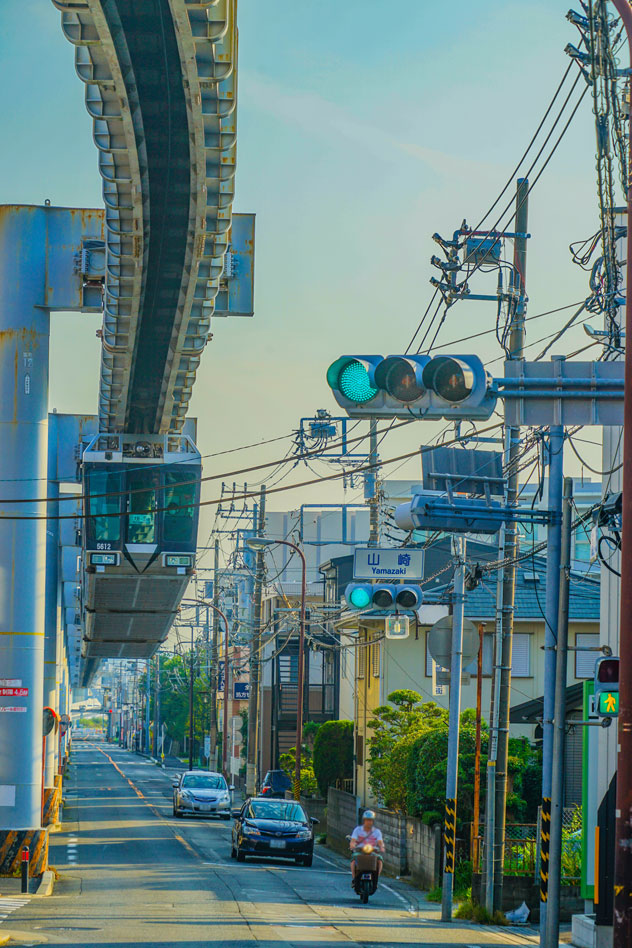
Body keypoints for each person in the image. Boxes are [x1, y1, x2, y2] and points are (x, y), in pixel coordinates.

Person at [349, 810, 385, 886]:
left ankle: (376, 878)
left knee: (380, 860)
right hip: (360, 850)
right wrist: (352, 845)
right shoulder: (358, 830)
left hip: (373, 851)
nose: (369, 822)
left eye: (371, 820)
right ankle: (354, 878)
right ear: (364, 820)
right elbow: (353, 840)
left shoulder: (377, 831)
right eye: (367, 820)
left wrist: (381, 847)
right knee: (353, 860)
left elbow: (380, 841)